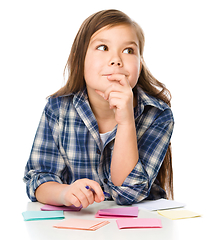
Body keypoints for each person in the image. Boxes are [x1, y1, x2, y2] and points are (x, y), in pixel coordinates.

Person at [23, 9, 174, 208]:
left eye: (129, 51)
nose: (116, 60)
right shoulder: (58, 109)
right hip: (78, 226)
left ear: (141, 62)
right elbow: (38, 179)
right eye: (103, 47)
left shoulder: (157, 114)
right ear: (80, 58)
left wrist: (126, 120)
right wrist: (65, 192)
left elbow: (128, 192)